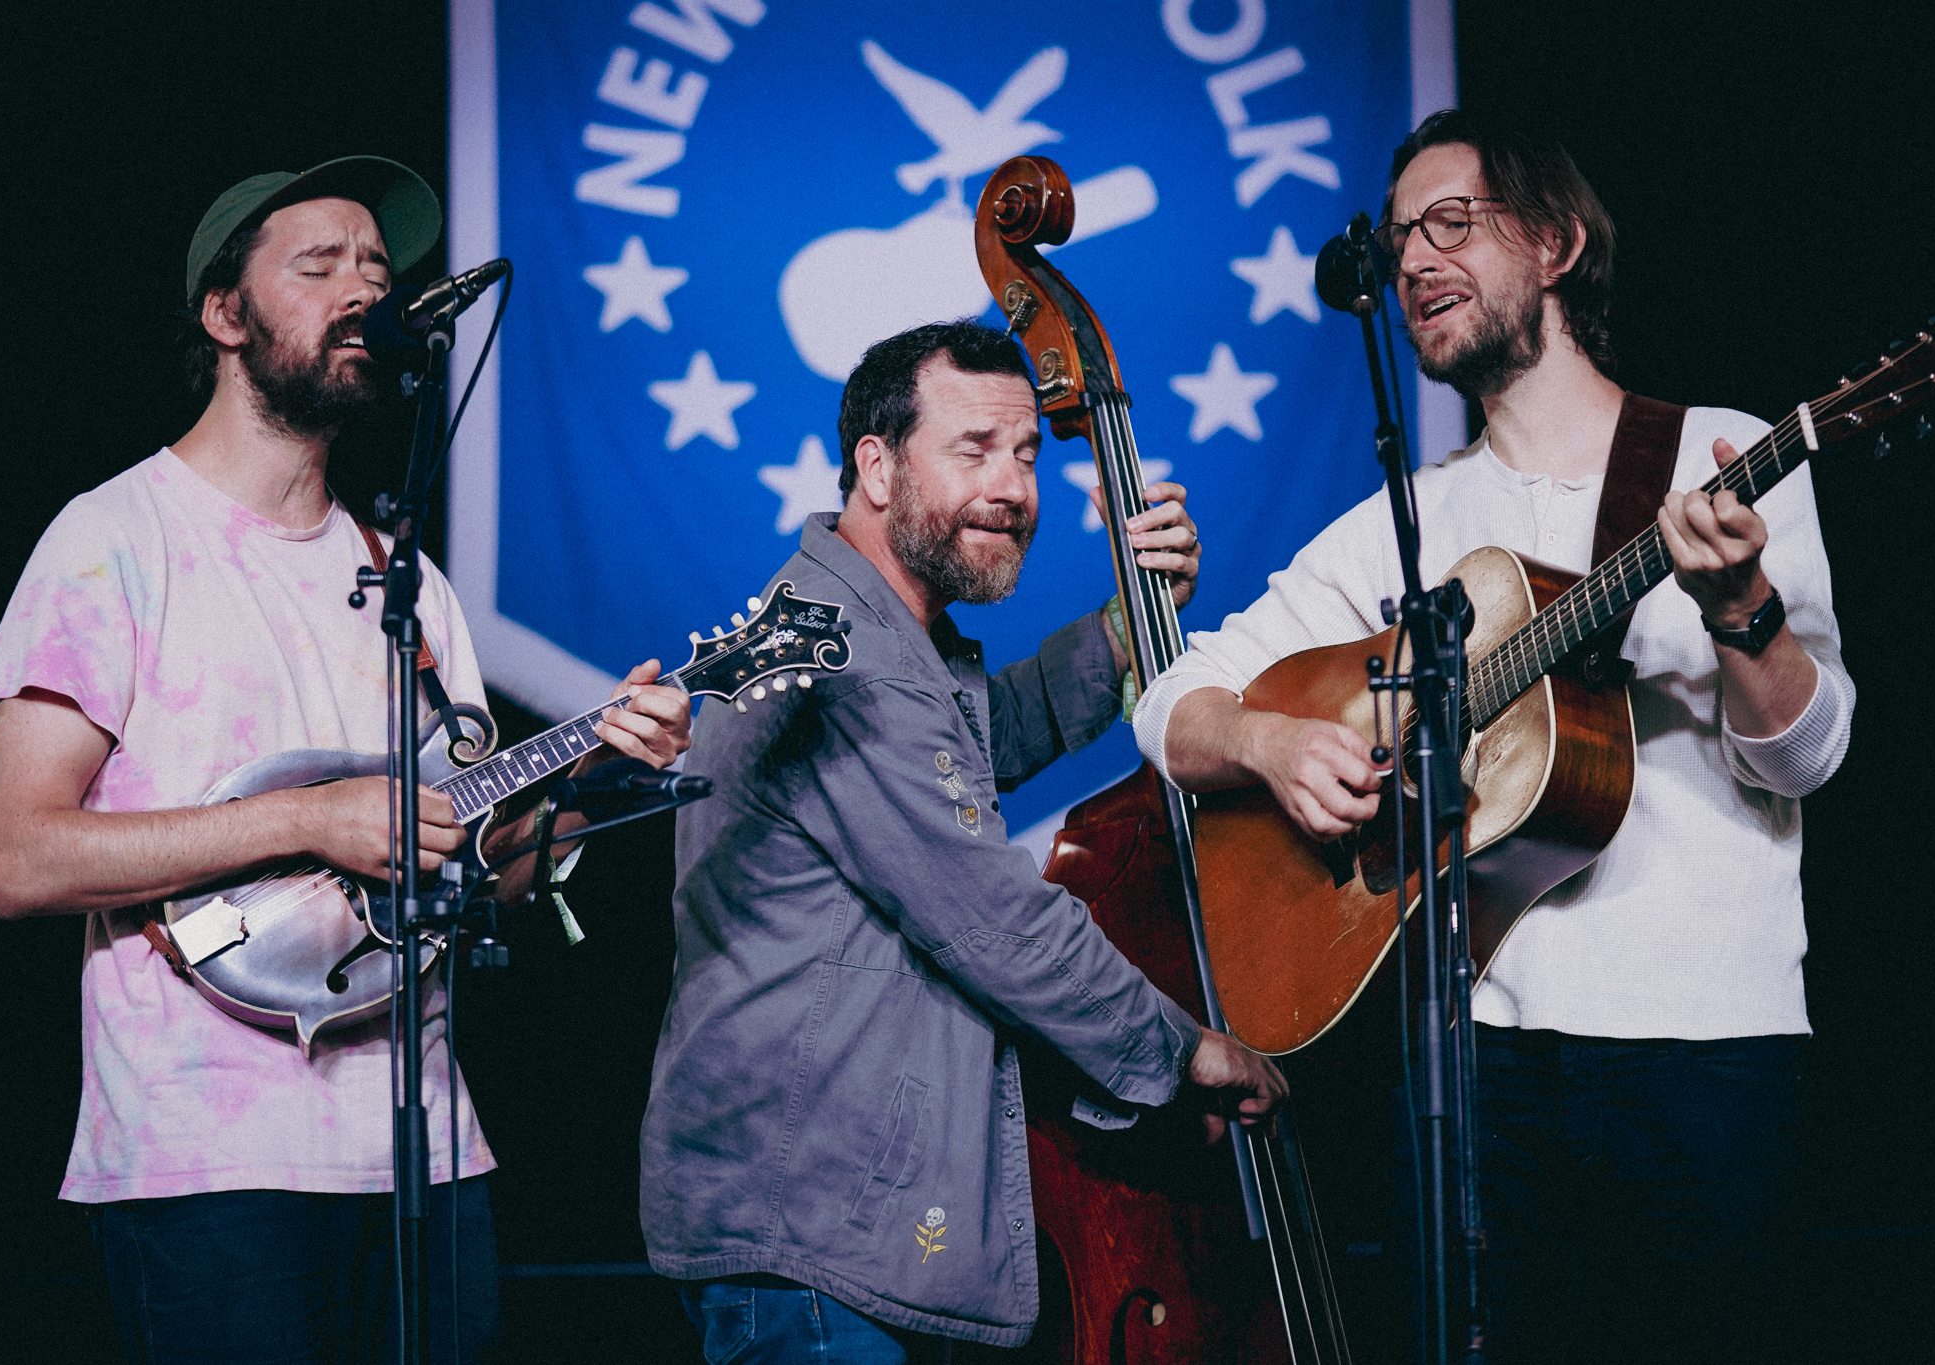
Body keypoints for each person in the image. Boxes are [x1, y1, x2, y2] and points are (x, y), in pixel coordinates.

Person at [1136, 111, 1853, 1363]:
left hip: (1705, 1057)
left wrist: (1739, 613)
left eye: (1450, 222)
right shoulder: (1405, 527)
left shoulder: (1717, 456)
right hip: (1478, 1074)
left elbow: (1804, 758)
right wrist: (1270, 748)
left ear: (1558, 242)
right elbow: (1172, 702)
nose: (1412, 259)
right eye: (1399, 234)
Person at [0, 156, 692, 1364]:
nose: (365, 288)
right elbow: (17, 857)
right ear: (225, 315)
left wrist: (586, 780)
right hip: (206, 1163)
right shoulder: (114, 539)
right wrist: (311, 819)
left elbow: (486, 872)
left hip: (426, 1153)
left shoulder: (409, 583)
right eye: (320, 266)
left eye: (378, 268)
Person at [638, 320, 1288, 1360]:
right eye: (973, 448)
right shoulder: (842, 649)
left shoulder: (889, 635)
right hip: (816, 1235)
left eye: (1027, 454)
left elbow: (976, 750)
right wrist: (1183, 1050)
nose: (1013, 487)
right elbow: (990, 914)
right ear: (878, 465)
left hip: (841, 1227)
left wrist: (1132, 625)